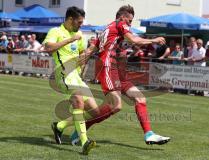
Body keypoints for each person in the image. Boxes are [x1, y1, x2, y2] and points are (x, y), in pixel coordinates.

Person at [71, 4, 170, 145]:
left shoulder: (108, 28)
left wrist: (81, 63)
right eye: (130, 21)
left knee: (140, 98)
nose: (130, 24)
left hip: (118, 69)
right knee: (115, 105)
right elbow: (134, 40)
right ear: (123, 17)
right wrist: (154, 40)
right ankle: (80, 131)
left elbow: (93, 49)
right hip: (108, 66)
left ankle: (149, 134)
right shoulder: (120, 23)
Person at [43, 6, 102, 155]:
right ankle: (84, 142)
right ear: (70, 19)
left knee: (95, 112)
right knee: (78, 101)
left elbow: (81, 54)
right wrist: (70, 39)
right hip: (63, 74)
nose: (81, 25)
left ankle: (60, 126)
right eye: (79, 22)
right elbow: (48, 48)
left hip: (76, 76)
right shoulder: (56, 32)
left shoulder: (80, 34)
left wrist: (85, 62)